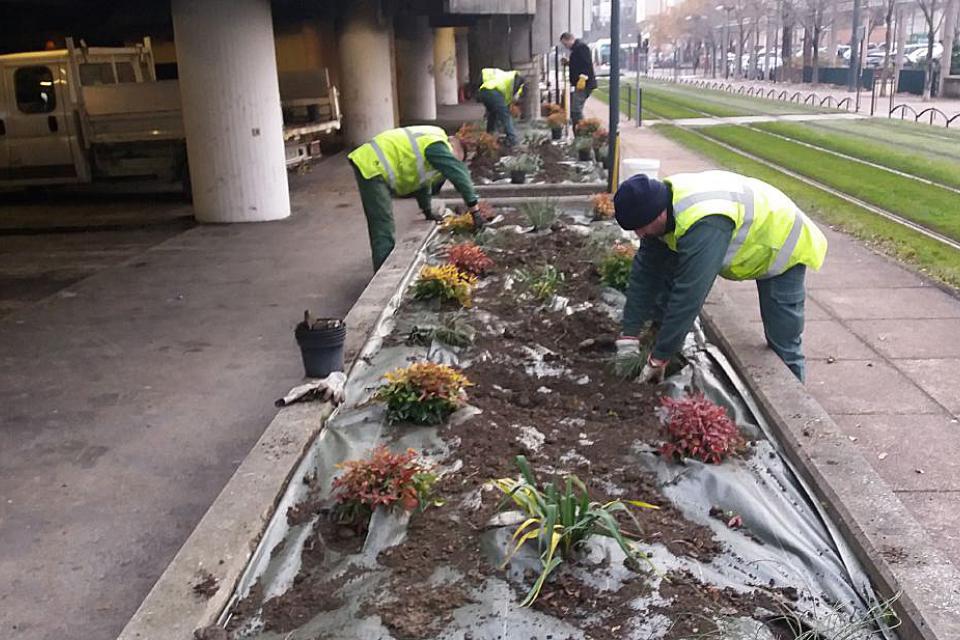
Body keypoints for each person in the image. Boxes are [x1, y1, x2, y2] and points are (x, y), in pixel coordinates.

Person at [613, 171, 827, 383]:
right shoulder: (660, 203)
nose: (640, 236)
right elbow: (645, 274)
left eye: (641, 228)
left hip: (781, 244)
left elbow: (689, 296)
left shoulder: (704, 223)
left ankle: (794, 408)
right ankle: (658, 339)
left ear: (657, 214)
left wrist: (660, 357)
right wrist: (628, 336)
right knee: (664, 266)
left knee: (783, 341)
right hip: (751, 235)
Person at [348, 125, 483, 271]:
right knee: (382, 221)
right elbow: (459, 174)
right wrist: (475, 211)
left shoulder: (432, 143)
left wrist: (427, 211)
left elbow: (422, 183)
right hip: (373, 164)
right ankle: (383, 271)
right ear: (454, 149)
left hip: (375, 162)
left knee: (383, 219)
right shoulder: (438, 146)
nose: (451, 163)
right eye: (456, 159)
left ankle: (385, 264)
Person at [477, 67, 525, 147]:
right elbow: (509, 99)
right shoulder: (515, 80)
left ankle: (489, 135)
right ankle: (512, 139)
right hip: (493, 92)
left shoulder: (507, 76)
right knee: (505, 116)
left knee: (493, 114)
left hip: (484, 92)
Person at [560, 32, 597, 129]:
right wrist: (569, 62)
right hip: (580, 83)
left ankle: (582, 131)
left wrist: (583, 78)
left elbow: (586, 64)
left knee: (576, 110)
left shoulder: (581, 48)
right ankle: (581, 130)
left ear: (569, 39)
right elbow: (578, 63)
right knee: (575, 109)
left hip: (583, 84)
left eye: (565, 44)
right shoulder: (577, 49)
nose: (566, 46)